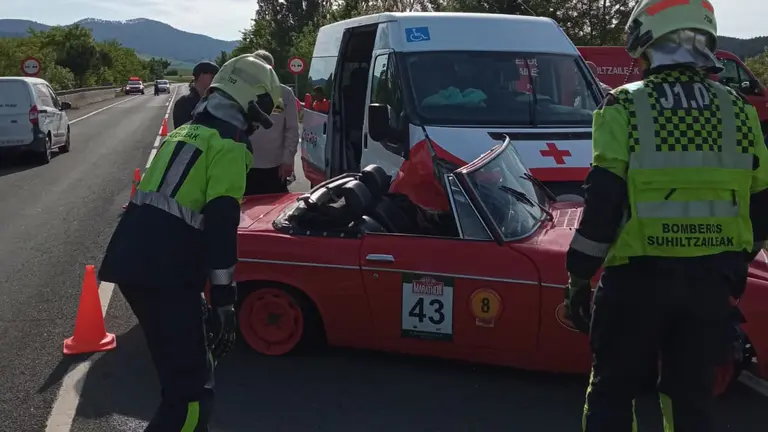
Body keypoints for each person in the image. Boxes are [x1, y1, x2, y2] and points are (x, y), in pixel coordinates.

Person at [563, 1, 768, 431]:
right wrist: (731, 268)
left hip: (636, 281)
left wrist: (579, 280)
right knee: (692, 399)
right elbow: (762, 205)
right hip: (710, 283)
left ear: (644, 43)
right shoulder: (739, 110)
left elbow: (602, 207)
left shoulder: (623, 106)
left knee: (612, 393)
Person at [98, 54, 283, 432]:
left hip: (134, 263)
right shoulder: (230, 146)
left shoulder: (184, 132)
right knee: (192, 399)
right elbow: (220, 226)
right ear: (250, 103)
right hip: (165, 274)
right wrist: (225, 301)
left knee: (180, 378)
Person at [245, 49, 299, 195]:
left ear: (271, 69)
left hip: (274, 166)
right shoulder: (241, 91)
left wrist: (288, 159)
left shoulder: (285, 93)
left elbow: (292, 129)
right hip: (243, 164)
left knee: (274, 211)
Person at [172, 61, 220, 128]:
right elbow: (182, 131)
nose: (216, 80)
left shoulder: (219, 101)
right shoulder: (184, 103)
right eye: (212, 76)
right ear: (201, 76)